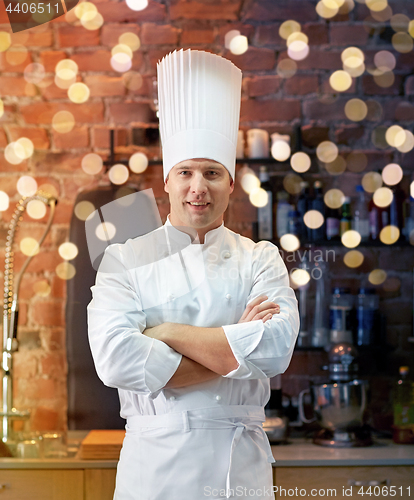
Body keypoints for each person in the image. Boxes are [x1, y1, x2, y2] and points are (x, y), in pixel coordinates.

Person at [87, 49, 299, 500]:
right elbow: (115, 359)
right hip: (154, 475)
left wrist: (164, 333)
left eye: (212, 173)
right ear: (167, 181)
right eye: (185, 172)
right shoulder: (124, 259)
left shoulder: (261, 258)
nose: (197, 187)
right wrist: (233, 346)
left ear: (230, 182)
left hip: (239, 473)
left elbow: (275, 351)